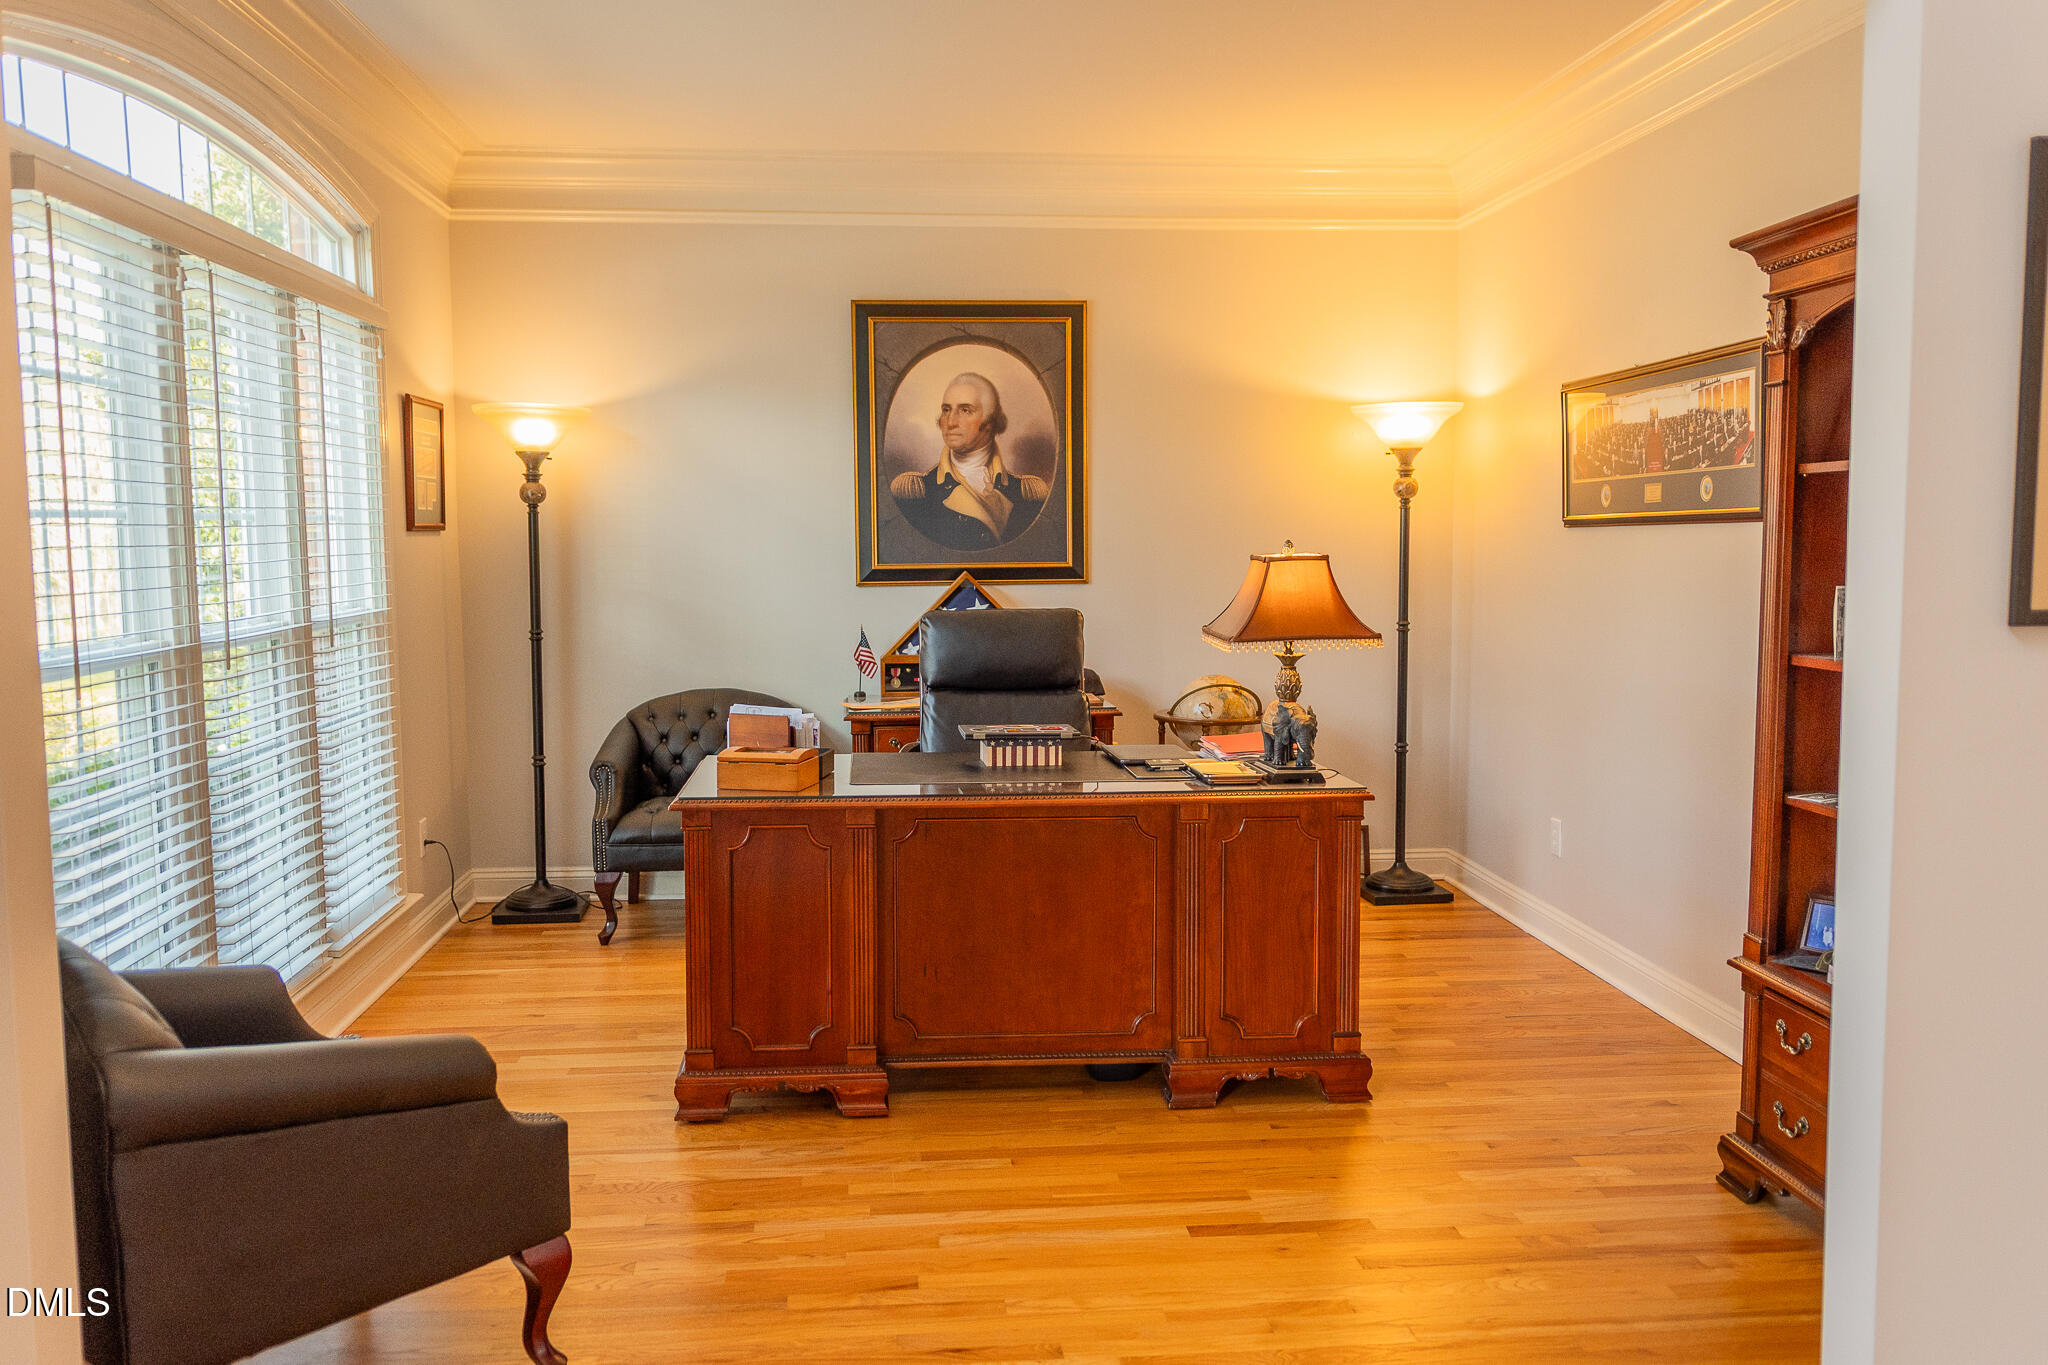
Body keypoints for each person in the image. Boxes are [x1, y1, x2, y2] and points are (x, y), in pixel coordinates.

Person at [890, 372, 1049, 551]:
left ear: (990, 421)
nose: (950, 422)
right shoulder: (917, 492)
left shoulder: (1026, 493)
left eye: (965, 410)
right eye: (946, 410)